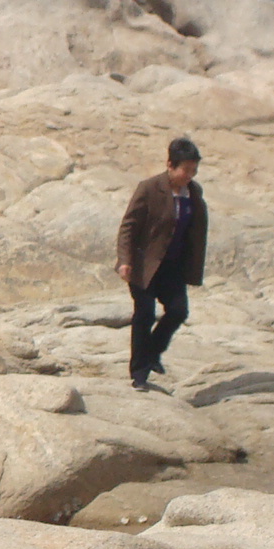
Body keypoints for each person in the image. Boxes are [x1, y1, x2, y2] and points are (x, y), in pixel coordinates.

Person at [115, 138, 207, 391]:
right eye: (185, 169)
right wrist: (125, 260)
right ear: (170, 165)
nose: (189, 175)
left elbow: (195, 231)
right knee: (144, 315)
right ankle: (139, 373)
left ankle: (152, 352)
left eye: (193, 170)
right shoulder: (149, 188)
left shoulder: (193, 193)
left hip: (173, 266)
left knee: (178, 311)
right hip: (144, 265)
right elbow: (128, 226)